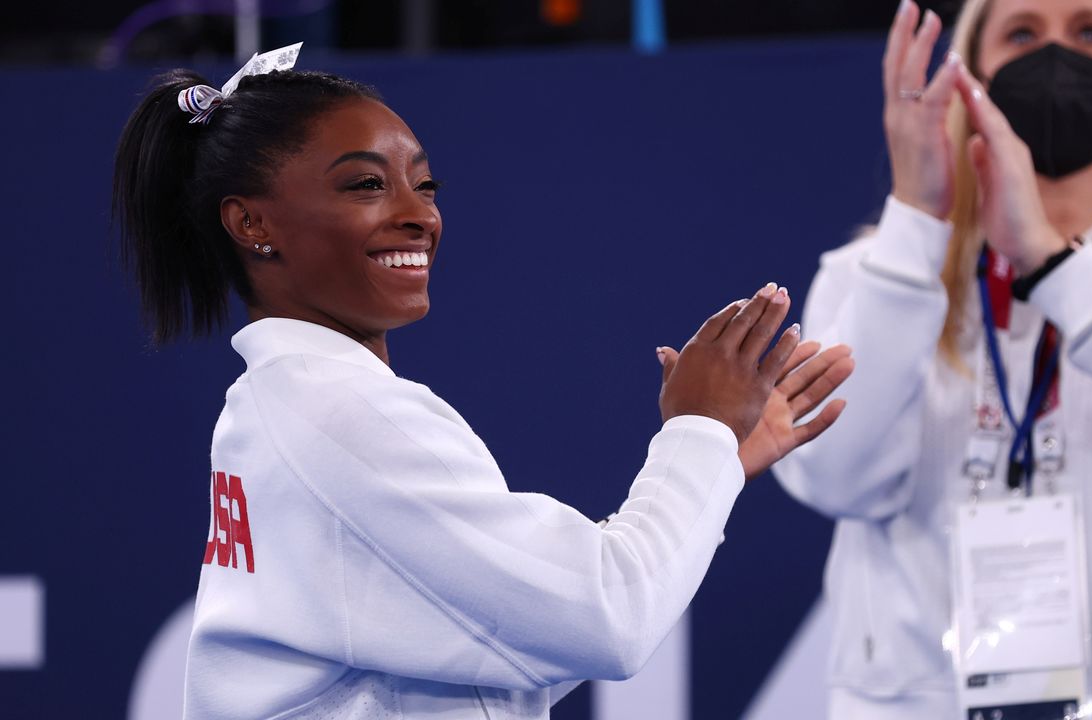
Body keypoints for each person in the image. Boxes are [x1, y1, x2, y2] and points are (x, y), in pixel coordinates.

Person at [112, 52, 854, 719]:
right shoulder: (341, 414)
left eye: (424, 184)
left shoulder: (283, 403)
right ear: (251, 223)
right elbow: (610, 620)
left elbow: (504, 648)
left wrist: (717, 463)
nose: (419, 215)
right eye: (367, 184)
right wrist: (700, 435)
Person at [773, 0, 1092, 717]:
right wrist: (916, 225)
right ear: (969, 78)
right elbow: (833, 475)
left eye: (1090, 32)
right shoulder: (873, 271)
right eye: (1022, 33)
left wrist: (1055, 263)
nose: (1055, 56)